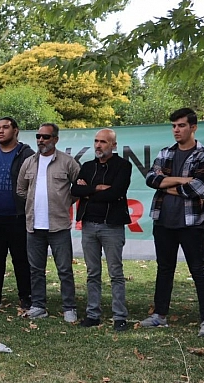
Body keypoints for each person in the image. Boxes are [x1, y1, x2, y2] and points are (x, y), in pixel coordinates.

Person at [141, 108, 204, 337]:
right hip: (163, 221)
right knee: (164, 269)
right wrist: (182, 179)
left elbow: (197, 188)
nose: (176, 130)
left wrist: (167, 185)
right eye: (173, 126)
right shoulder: (165, 152)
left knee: (199, 270)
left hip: (192, 223)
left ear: (193, 127)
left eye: (181, 125)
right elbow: (151, 179)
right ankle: (160, 315)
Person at [16, 123, 80, 322]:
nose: (41, 140)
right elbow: (20, 189)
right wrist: (33, 202)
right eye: (38, 136)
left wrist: (65, 201)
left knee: (64, 269)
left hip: (58, 225)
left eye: (45, 137)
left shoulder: (68, 162)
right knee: (35, 269)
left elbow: (79, 187)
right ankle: (38, 305)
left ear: (55, 139)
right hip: (34, 226)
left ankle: (69, 307)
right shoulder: (28, 162)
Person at [71, 129, 131, 331]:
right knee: (92, 272)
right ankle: (92, 314)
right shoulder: (88, 166)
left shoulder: (123, 166)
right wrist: (97, 188)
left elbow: (116, 193)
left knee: (116, 273)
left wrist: (88, 191)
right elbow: (75, 190)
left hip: (112, 226)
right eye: (96, 141)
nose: (98, 145)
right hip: (89, 225)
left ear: (113, 145)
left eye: (103, 142)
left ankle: (119, 316)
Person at [0, 117, 34, 310]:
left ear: (16, 130)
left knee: (21, 259)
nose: (1, 131)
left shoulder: (27, 154)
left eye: (5, 128)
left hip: (18, 216)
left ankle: (26, 297)